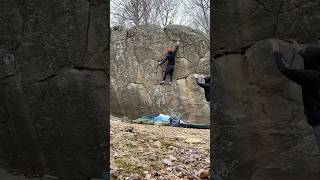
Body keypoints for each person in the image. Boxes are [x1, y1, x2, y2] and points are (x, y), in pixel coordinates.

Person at [270, 39, 320, 149]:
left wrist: (276, 52)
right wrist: (300, 51)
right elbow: (313, 60)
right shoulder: (316, 73)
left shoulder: (313, 77)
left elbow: (286, 70)